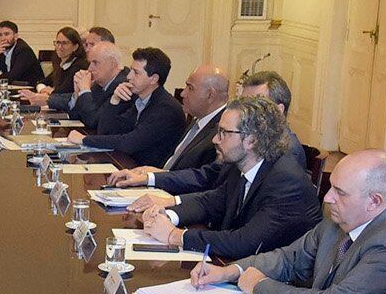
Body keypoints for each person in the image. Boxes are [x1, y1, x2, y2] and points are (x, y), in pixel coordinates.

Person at [190, 150, 386, 294]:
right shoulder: (341, 218)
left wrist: (259, 285)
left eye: (340, 192)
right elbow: (289, 258)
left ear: (374, 201)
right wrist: (230, 272)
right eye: (331, 186)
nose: (328, 197)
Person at [135, 97, 315, 258]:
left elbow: (244, 242)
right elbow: (211, 202)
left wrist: (175, 235)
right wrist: (167, 215)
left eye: (224, 133)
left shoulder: (286, 181)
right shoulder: (239, 164)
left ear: (251, 141)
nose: (215, 139)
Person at [111, 71, 314, 200]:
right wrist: (152, 178)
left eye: (255, 103)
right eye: (243, 102)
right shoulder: (246, 142)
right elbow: (211, 176)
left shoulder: (287, 154)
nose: (245, 110)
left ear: (278, 110)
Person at [63, 47, 182, 165]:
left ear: (153, 79)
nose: (129, 76)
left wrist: (84, 139)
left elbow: (130, 143)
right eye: (130, 70)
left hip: (149, 174)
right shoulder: (140, 100)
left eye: (136, 72)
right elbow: (106, 132)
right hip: (129, 165)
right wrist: (114, 100)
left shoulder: (165, 108)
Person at [0, 20, 45, 86]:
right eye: (0, 35)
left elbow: (13, 75)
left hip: (31, 89)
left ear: (15, 36)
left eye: (6, 34)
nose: (2, 38)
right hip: (12, 88)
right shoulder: (2, 50)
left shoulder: (24, 50)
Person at [44, 27, 87, 96]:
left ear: (75, 47)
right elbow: (42, 82)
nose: (60, 47)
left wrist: (51, 91)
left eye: (64, 43)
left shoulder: (79, 66)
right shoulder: (60, 64)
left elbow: (62, 92)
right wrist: (43, 90)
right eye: (58, 43)